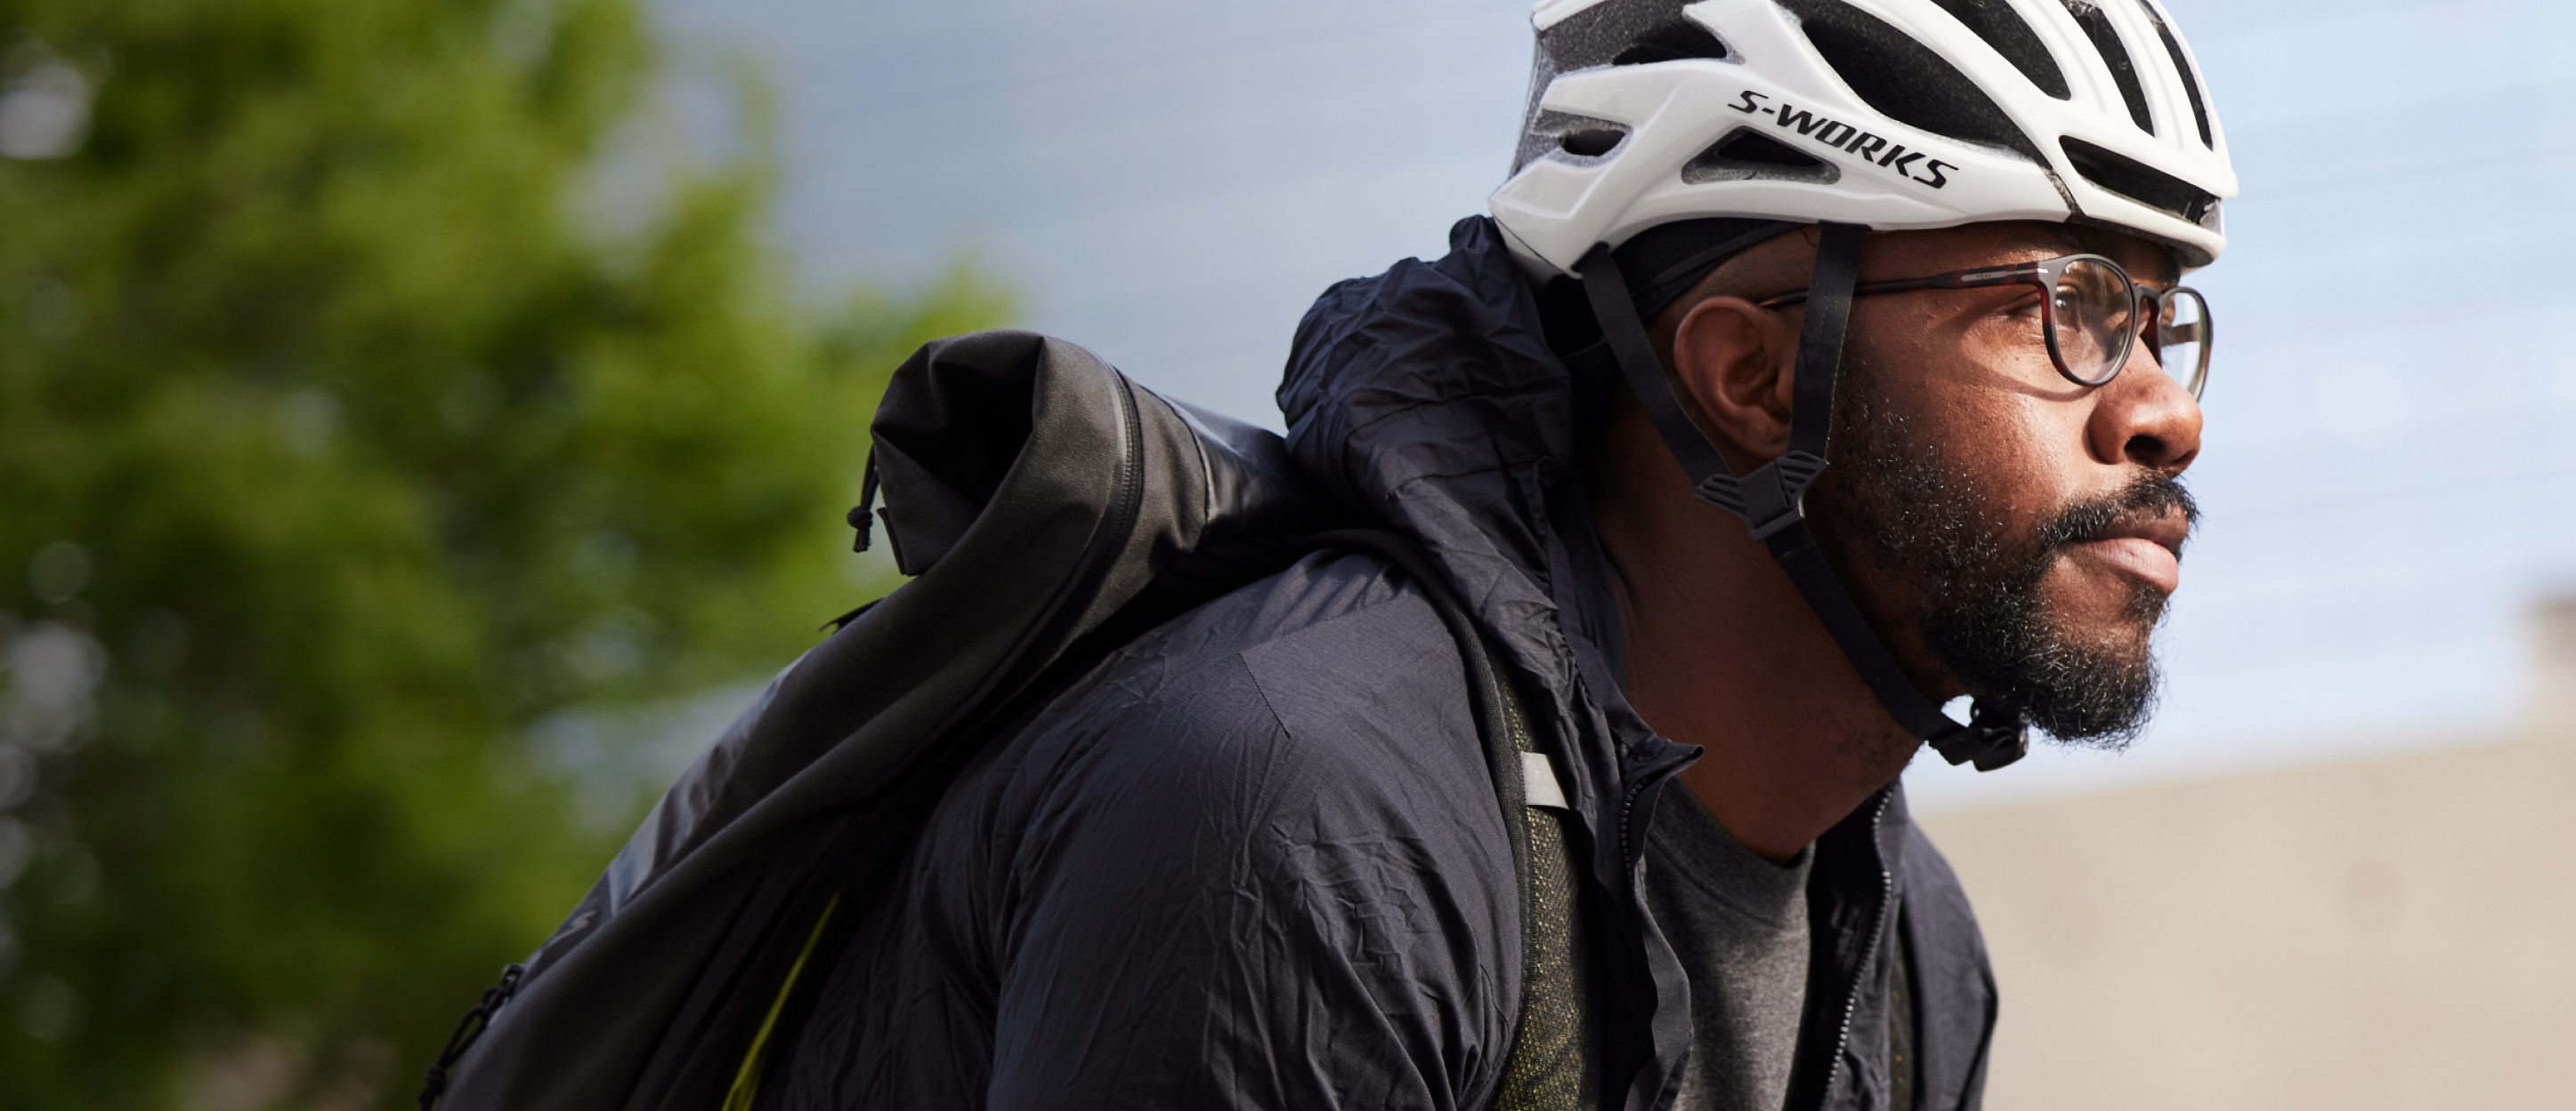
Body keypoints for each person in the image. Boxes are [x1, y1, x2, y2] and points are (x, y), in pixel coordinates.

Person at [750, 0, 2239, 1107]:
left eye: (2163, 324)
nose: (2163, 408)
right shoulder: (1307, 816)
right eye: (2067, 306)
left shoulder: (1913, 950)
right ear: (1752, 377)